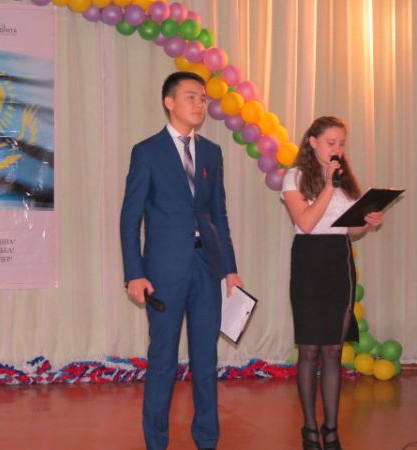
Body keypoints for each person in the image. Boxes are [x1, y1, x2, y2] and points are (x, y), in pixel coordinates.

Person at [120, 71, 243, 450]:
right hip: (163, 272)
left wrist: (230, 268)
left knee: (206, 360)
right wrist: (134, 273)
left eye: (203, 98)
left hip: (207, 269)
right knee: (163, 361)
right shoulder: (147, 152)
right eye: (191, 96)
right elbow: (130, 218)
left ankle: (207, 439)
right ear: (169, 102)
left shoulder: (212, 152)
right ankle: (156, 442)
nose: (200, 104)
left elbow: (218, 215)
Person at [281, 116, 384, 450]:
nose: (337, 149)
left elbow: (348, 228)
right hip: (309, 263)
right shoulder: (294, 177)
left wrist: (367, 222)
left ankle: (331, 428)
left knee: (334, 350)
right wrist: (329, 185)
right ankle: (310, 428)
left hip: (339, 264)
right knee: (310, 349)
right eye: (331, 143)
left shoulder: (345, 180)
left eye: (341, 143)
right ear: (313, 142)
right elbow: (307, 223)